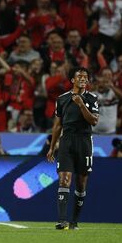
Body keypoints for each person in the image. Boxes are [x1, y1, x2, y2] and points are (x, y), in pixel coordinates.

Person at [46, 67, 100, 230]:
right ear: (73, 80)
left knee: (81, 183)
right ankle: (62, 220)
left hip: (84, 141)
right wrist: (52, 147)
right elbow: (57, 125)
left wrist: (81, 104)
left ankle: (74, 221)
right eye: (80, 76)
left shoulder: (92, 98)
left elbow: (94, 121)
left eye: (85, 77)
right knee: (64, 179)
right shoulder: (62, 99)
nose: (83, 79)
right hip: (66, 141)